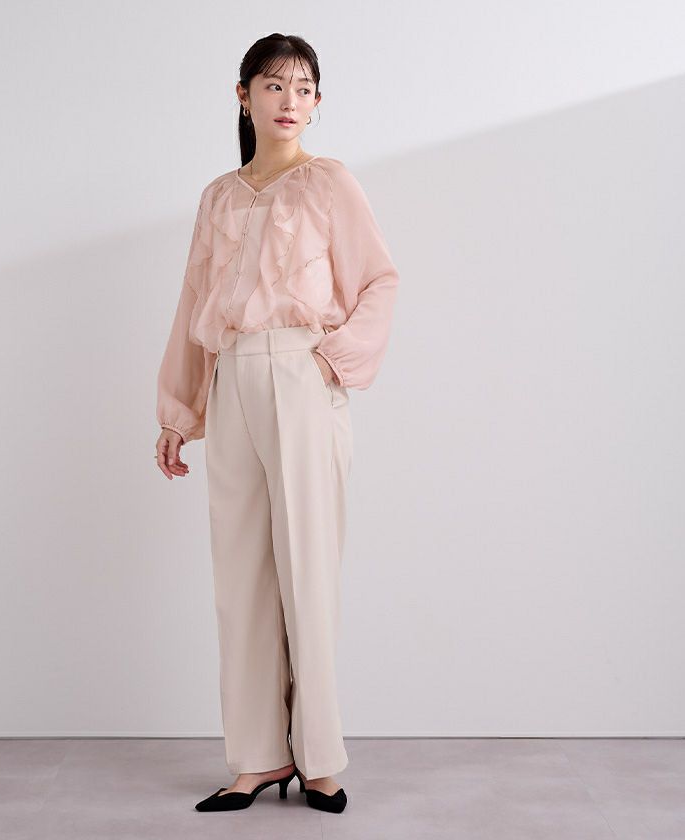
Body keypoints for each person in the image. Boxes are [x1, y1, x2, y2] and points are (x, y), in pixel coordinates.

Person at [155, 33, 399, 814]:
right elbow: (194, 304)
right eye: (273, 85)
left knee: (307, 572)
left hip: (302, 375)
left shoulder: (328, 183)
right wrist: (179, 412)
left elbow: (379, 280)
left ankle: (320, 758)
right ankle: (258, 758)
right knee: (241, 577)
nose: (289, 101)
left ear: (317, 103)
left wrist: (331, 361)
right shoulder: (219, 196)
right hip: (231, 380)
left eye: (302, 88)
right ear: (244, 96)